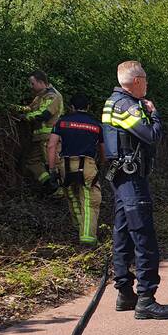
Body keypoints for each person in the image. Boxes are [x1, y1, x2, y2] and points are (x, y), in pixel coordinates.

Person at [101, 61, 168, 320]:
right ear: (136, 81)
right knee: (144, 237)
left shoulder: (111, 102)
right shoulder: (127, 105)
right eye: (145, 80)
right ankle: (146, 299)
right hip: (132, 179)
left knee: (122, 234)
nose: (147, 84)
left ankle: (125, 293)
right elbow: (152, 135)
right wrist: (154, 113)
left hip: (121, 177)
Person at [48, 93, 105, 246]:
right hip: (87, 165)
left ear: (71, 107)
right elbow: (103, 150)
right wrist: (101, 164)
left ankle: (79, 228)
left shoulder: (61, 122)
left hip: (65, 166)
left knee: (73, 198)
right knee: (90, 201)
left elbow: (51, 146)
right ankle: (87, 237)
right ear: (88, 107)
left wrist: (52, 170)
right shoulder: (96, 125)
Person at [19, 71, 64, 193]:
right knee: (32, 162)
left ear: (41, 82)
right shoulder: (40, 96)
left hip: (50, 138)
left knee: (54, 165)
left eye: (32, 83)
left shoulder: (53, 96)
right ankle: (50, 185)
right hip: (39, 138)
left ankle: (61, 192)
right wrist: (15, 108)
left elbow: (44, 114)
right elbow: (30, 108)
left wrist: (26, 117)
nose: (31, 86)